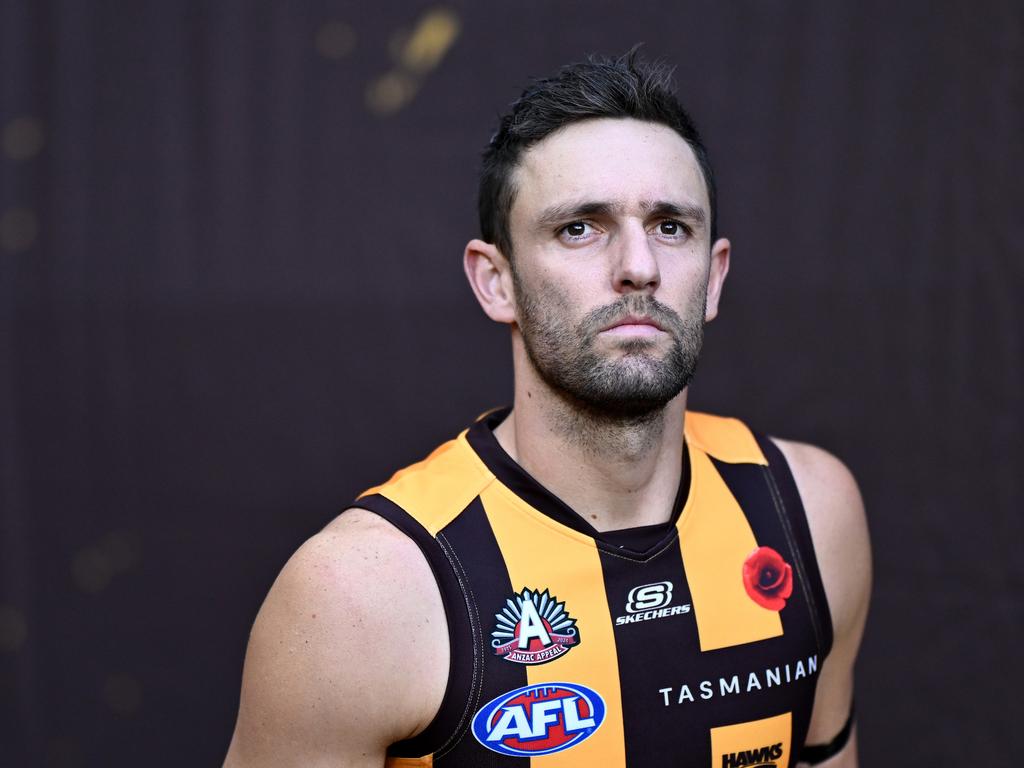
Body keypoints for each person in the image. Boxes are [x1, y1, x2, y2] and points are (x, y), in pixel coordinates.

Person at [223, 50, 871, 768]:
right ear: (495, 282)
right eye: (580, 228)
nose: (639, 266)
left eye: (670, 227)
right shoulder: (362, 592)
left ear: (714, 278)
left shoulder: (808, 510)